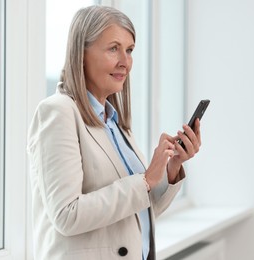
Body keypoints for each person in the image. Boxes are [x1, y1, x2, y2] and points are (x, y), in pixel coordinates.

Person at [27, 5, 202, 260]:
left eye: (129, 50)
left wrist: (172, 167)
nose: (125, 62)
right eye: (113, 48)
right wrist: (145, 180)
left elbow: (140, 210)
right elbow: (67, 215)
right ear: (81, 54)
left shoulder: (112, 122)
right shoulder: (58, 112)